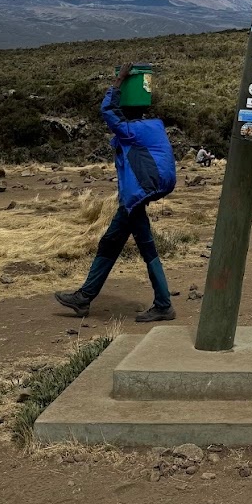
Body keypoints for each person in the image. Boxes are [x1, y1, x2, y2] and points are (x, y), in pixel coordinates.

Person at [55, 67, 177, 321]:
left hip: (134, 199)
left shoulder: (133, 131)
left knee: (143, 249)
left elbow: (108, 111)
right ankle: (85, 297)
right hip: (135, 199)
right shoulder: (151, 127)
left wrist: (119, 81)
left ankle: (162, 304)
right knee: (114, 244)